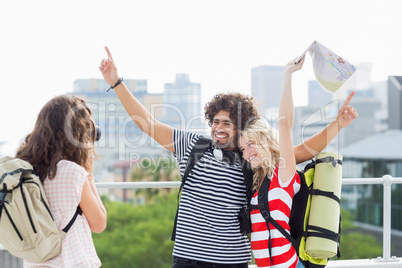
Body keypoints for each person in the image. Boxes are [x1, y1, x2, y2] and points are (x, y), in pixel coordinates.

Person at [99, 47, 357, 267]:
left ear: (241, 127)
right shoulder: (193, 146)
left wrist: (337, 124)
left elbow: (299, 151)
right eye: (215, 121)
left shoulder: (254, 159)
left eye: (227, 123)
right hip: (189, 257)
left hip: (234, 260)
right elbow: (148, 124)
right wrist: (116, 82)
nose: (218, 128)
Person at [238, 56, 358, 268]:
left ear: (264, 140)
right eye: (242, 149)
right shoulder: (258, 185)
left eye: (251, 144)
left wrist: (287, 75)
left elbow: (284, 123)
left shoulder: (283, 174)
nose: (247, 152)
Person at [16, 95, 107, 268]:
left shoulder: (25, 170)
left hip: (35, 262)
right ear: (77, 133)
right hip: (72, 262)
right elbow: (99, 223)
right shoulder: (73, 173)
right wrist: (89, 174)